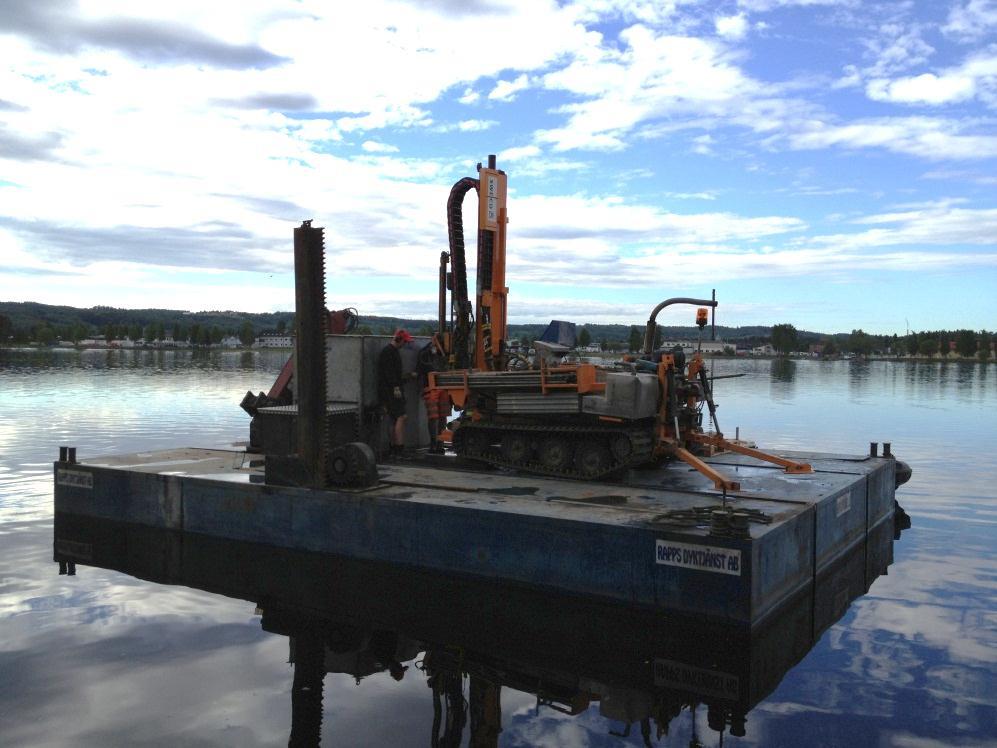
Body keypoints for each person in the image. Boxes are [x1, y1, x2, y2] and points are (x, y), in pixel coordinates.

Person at [377, 329, 415, 458]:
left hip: (389, 390)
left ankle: (394, 448)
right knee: (401, 417)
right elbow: (389, 374)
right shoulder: (389, 353)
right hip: (391, 391)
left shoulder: (391, 352)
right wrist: (396, 388)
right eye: (405, 341)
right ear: (399, 339)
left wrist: (406, 377)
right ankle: (399, 449)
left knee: (394, 419)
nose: (405, 344)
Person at [417, 336, 452, 454]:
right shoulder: (425, 353)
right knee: (434, 417)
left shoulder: (446, 352)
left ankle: (439, 444)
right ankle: (433, 444)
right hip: (431, 388)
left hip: (443, 387)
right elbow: (424, 367)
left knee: (442, 416)